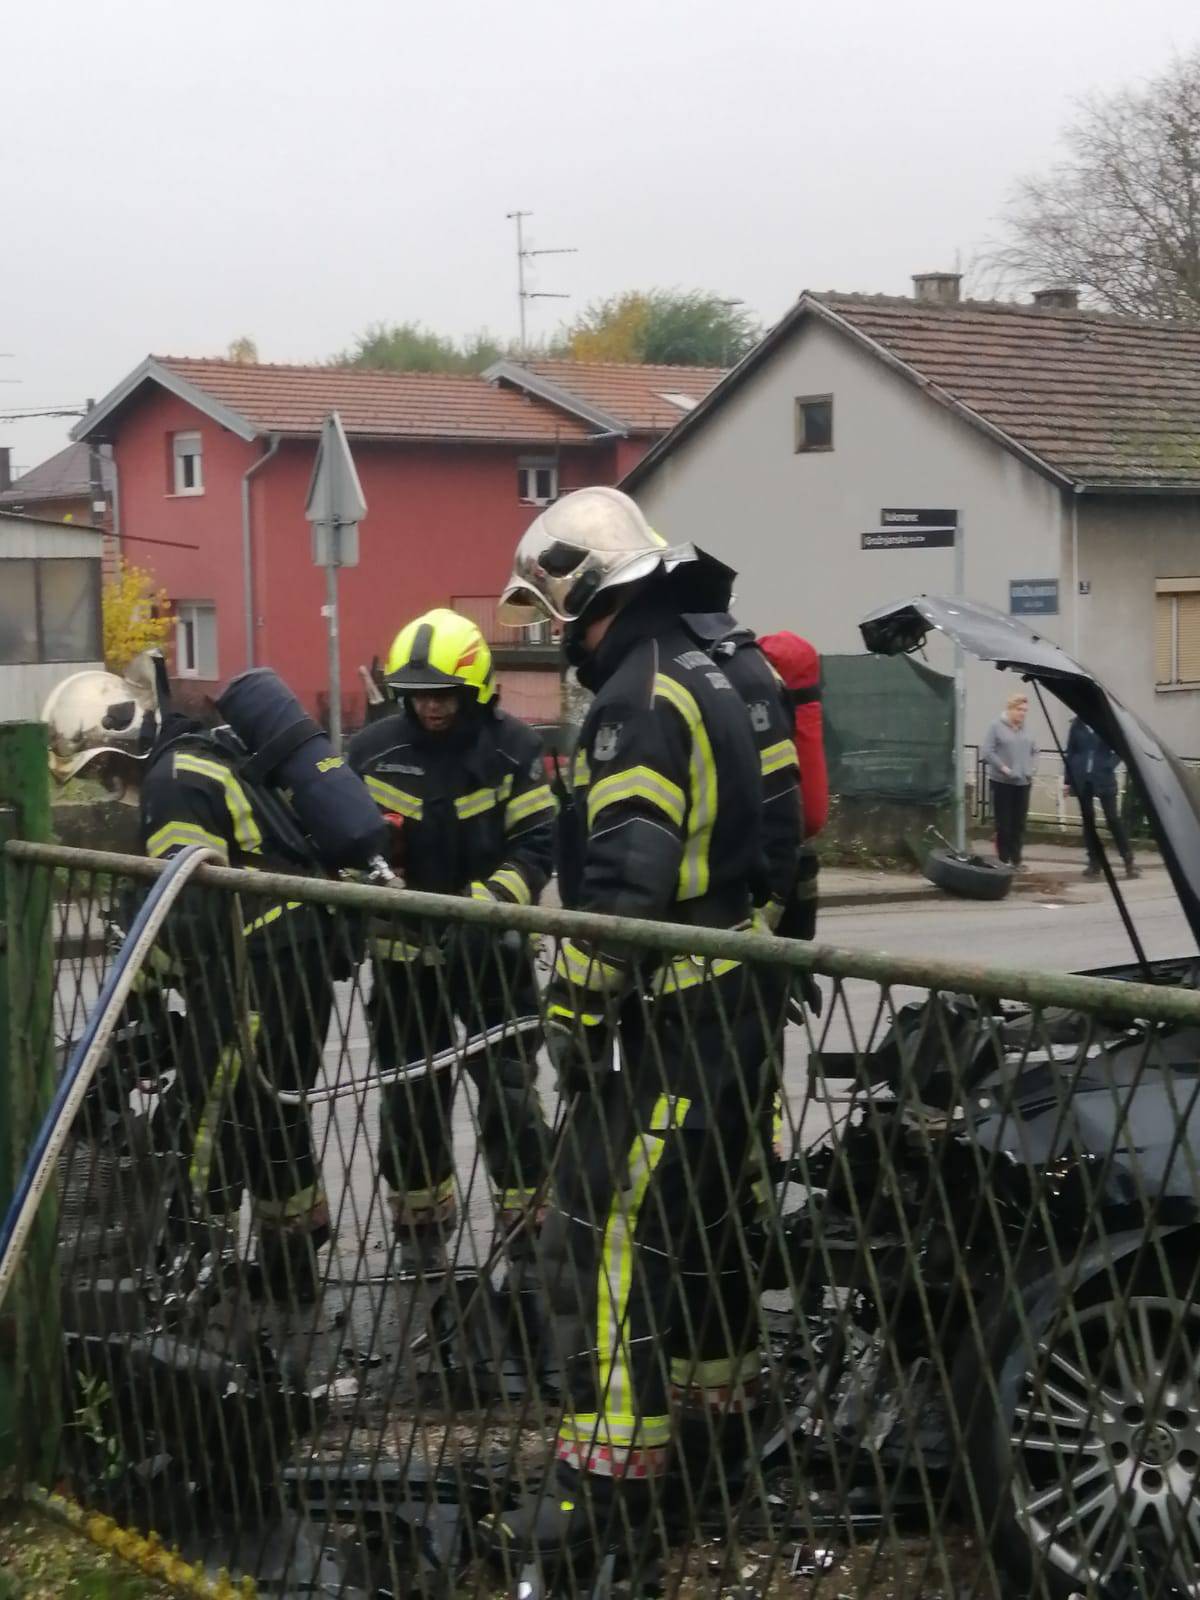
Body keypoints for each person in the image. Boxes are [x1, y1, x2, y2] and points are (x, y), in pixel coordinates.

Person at [480, 487, 771, 1579]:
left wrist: (573, 1007)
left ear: (580, 596)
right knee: (704, 1233)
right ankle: (716, 1435)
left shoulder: (635, 699)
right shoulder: (709, 666)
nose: (556, 639)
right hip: (727, 1003)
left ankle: (605, 1481)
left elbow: (627, 880)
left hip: (672, 1018)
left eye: (551, 615)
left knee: (604, 1229)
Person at [42, 654, 341, 1303]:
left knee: (200, 1122)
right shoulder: (197, 757)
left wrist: (139, 992)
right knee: (271, 1119)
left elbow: (186, 918)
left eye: (101, 771)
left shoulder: (170, 785)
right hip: (294, 957)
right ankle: (292, 1277)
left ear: (116, 752)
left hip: (256, 969)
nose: (105, 787)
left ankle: (185, 1281)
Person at [346, 608, 555, 1271]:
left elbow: (537, 846)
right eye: (419, 694)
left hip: (492, 957)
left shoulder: (513, 750)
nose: (432, 707)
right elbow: (341, 841)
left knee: (510, 1093)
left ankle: (529, 1221)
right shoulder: (372, 750)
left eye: (444, 694)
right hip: (404, 961)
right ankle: (419, 1221)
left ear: (476, 689)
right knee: (409, 1099)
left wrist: (484, 910)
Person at [1064, 715, 1140, 880]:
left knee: (1112, 819)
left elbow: (1121, 748)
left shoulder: (1106, 722)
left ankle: (1128, 858)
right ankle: (1094, 861)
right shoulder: (1077, 724)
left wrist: (1109, 765)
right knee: (1088, 820)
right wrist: (1067, 780)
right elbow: (1070, 752)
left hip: (1104, 778)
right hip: (1082, 779)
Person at [981, 691, 1038, 867]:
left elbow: (1035, 750)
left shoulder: (1026, 729)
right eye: (1019, 709)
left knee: (1019, 823)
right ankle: (1003, 859)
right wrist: (1004, 768)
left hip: (1023, 782)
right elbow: (988, 751)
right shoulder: (996, 726)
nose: (1022, 713)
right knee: (1004, 823)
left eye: (1025, 710)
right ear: (1010, 709)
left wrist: (1032, 768)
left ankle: (1017, 859)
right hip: (1002, 782)